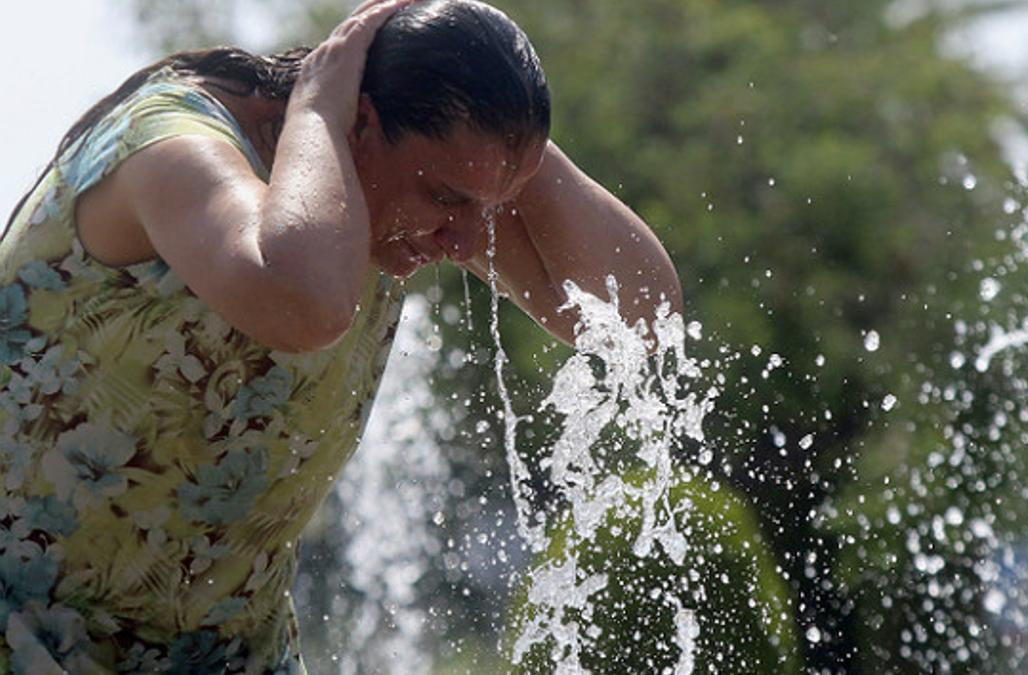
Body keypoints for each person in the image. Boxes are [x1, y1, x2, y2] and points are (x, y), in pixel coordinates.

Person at [0, 0, 681, 671]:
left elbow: (641, 315)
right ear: (359, 121)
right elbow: (304, 304)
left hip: (220, 651)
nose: (465, 239)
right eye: (447, 198)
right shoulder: (171, 146)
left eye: (489, 208)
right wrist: (322, 104)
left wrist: (509, 148)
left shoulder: (399, 183)